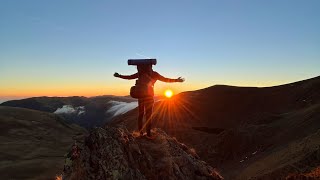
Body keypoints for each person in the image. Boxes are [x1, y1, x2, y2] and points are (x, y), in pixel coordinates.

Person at [114, 64, 184, 137]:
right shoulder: (154, 74)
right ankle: (148, 134)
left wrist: (119, 76)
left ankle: (140, 133)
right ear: (151, 66)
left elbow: (129, 77)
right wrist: (177, 80)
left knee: (140, 115)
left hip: (140, 96)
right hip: (149, 97)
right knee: (148, 115)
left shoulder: (140, 73)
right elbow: (165, 79)